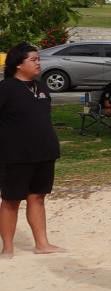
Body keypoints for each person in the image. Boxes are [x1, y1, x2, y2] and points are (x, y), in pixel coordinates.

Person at [0, 43, 64, 257]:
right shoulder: (6, 88)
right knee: (11, 200)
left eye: (39, 59)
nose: (39, 63)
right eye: (33, 60)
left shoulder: (41, 87)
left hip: (45, 153)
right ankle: (7, 247)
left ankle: (42, 243)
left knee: (38, 197)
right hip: (16, 155)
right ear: (19, 65)